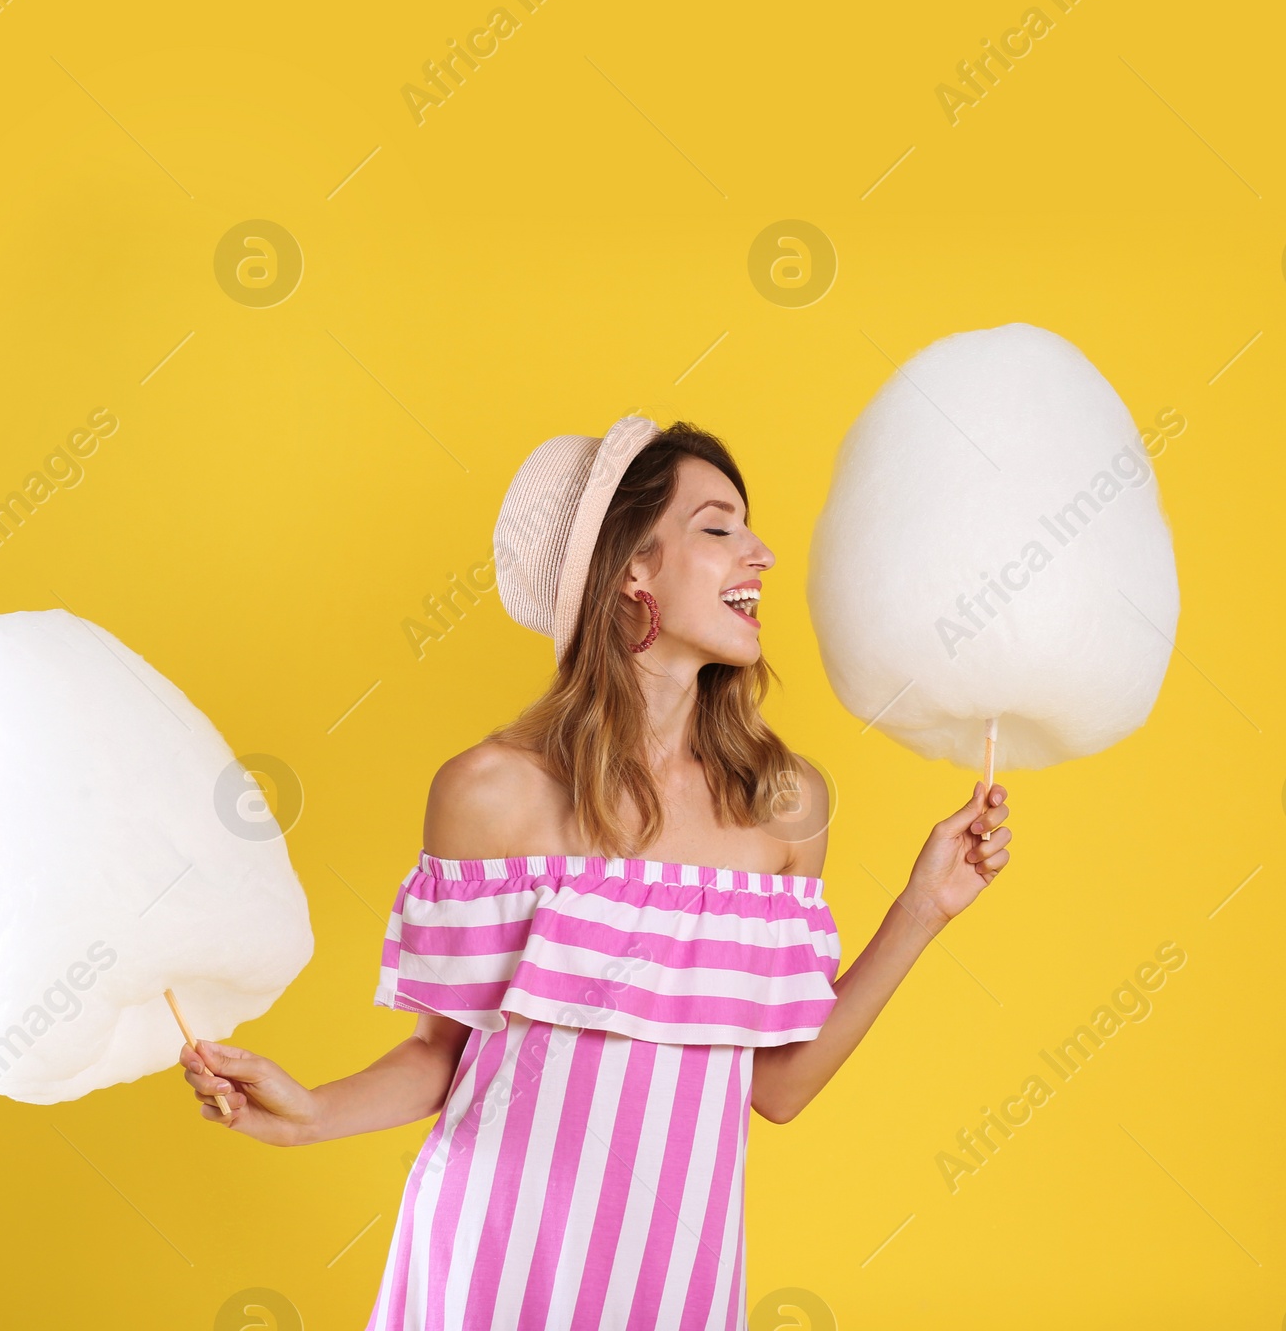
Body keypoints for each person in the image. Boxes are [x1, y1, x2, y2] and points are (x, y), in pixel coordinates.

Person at [180, 416, 1012, 1329]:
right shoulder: (490, 793)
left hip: (675, 1283)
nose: (762, 554)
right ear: (632, 567)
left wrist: (922, 908)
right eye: (719, 526)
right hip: (492, 1263)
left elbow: (775, 1087)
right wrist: (308, 1113)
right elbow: (441, 1057)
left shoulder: (784, 806)